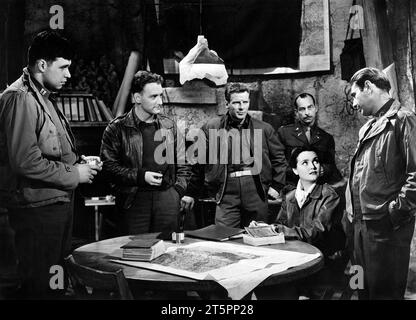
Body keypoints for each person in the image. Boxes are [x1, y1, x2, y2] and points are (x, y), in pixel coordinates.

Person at [0, 30, 101, 299]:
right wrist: (74, 173)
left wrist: (80, 162)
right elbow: (25, 161)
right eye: (64, 67)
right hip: (37, 212)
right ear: (42, 65)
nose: (69, 74)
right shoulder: (20, 98)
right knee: (40, 288)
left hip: (55, 207)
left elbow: (52, 148)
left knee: (55, 286)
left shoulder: (43, 96)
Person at [346, 67, 416, 300]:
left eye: (354, 95)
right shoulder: (367, 127)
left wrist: (394, 211)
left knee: (384, 295)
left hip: (386, 228)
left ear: (368, 86)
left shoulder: (403, 119)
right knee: (361, 290)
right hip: (361, 226)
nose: (354, 104)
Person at [183, 83, 286, 228]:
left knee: (257, 235)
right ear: (227, 104)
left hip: (255, 188)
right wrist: (191, 192)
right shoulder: (211, 127)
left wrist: (276, 186)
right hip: (226, 190)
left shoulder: (264, 129)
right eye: (237, 102)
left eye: (245, 102)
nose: (242, 107)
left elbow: (279, 160)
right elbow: (199, 164)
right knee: (224, 236)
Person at [100, 70, 190, 235]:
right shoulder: (117, 129)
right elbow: (108, 168)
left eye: (160, 96)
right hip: (133, 200)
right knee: (135, 253)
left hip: (167, 200)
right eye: (153, 96)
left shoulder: (170, 126)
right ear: (137, 98)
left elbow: (184, 164)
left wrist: (176, 192)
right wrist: (141, 176)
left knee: (167, 252)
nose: (160, 102)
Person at [275, 147, 343, 257]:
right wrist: (264, 228)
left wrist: (281, 230)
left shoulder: (329, 195)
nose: (313, 166)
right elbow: (280, 224)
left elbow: (318, 231)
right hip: (295, 254)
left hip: (322, 257)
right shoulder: (289, 197)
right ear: (295, 170)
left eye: (315, 161)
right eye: (305, 163)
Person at [277, 93, 343, 191]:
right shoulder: (284, 133)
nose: (307, 113)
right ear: (296, 112)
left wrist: (323, 169)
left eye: (310, 107)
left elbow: (331, 166)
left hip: (317, 189)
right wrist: (299, 171)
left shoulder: (326, 137)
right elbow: (278, 164)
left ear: (316, 108)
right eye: (302, 109)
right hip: (292, 187)